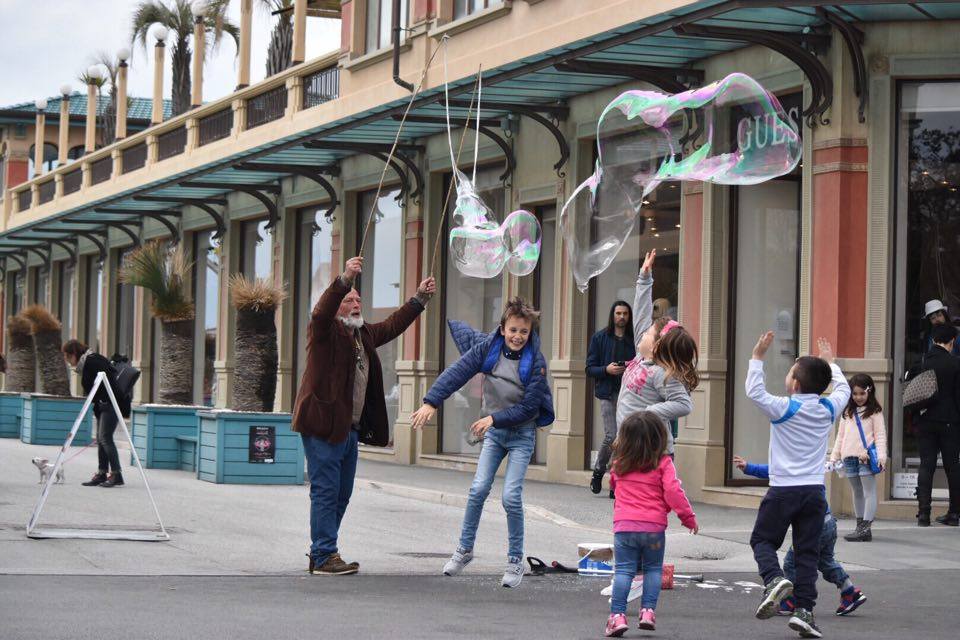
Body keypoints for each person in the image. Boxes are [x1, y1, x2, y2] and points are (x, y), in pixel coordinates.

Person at [291, 256, 436, 576]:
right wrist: (344, 279)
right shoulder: (323, 330)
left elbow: (393, 324)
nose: (356, 302)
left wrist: (419, 299)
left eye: (358, 298)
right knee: (326, 491)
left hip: (348, 429)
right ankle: (325, 553)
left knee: (341, 493)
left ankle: (322, 551)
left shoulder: (364, 334)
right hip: (322, 426)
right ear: (337, 304)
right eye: (349, 299)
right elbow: (321, 310)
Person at [410, 297, 554, 588]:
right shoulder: (489, 349)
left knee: (511, 497)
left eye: (524, 332)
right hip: (496, 435)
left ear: (531, 334)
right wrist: (431, 403)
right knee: (477, 490)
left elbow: (530, 408)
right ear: (502, 329)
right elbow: (457, 372)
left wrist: (493, 420)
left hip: (521, 435)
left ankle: (515, 560)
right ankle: (464, 550)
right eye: (513, 330)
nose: (517, 337)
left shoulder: (536, 362)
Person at [746, 332, 850, 639]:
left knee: (762, 541)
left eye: (792, 372)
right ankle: (805, 612)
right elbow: (842, 388)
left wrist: (757, 356)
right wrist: (832, 363)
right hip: (815, 492)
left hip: (783, 491)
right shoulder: (828, 409)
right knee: (807, 554)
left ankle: (774, 579)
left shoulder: (784, 407)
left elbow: (754, 392)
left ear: (796, 384)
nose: (789, 376)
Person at [734, 456, 867, 617]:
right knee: (825, 560)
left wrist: (749, 467)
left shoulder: (795, 461)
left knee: (792, 562)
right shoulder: (812, 460)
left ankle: (791, 601)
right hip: (829, 521)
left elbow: (774, 471)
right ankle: (850, 591)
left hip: (816, 524)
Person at [604, 411, 697, 637]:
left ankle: (617, 617)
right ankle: (647, 612)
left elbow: (614, 487)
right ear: (659, 438)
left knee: (624, 571)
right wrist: (687, 517)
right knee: (653, 570)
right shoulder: (663, 463)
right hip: (654, 528)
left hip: (625, 527)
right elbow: (673, 491)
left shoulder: (619, 464)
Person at [617, 249, 698, 461]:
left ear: (655, 346)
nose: (643, 333)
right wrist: (644, 278)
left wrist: (651, 411)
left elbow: (684, 404)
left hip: (653, 451)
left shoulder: (661, 373)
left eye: (649, 333)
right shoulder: (640, 356)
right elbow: (642, 314)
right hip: (630, 445)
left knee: (650, 495)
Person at [62, 339, 130, 488]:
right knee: (101, 438)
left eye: (67, 357)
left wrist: (103, 402)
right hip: (103, 405)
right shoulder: (89, 361)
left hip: (110, 404)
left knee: (105, 438)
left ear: (74, 353)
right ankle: (102, 473)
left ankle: (117, 474)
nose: (67, 361)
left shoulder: (92, 361)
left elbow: (107, 383)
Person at [829, 374, 887, 541]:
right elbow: (840, 437)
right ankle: (859, 525)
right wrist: (834, 457)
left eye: (862, 393)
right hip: (849, 457)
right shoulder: (848, 412)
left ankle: (865, 529)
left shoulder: (875, 411)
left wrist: (881, 456)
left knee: (869, 492)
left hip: (866, 457)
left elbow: (880, 436)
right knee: (857, 492)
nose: (858, 397)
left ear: (869, 391)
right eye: (855, 394)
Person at [586, 300, 635, 495]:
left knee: (624, 438)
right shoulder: (600, 338)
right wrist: (606, 369)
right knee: (611, 435)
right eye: (618, 313)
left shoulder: (634, 339)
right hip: (607, 392)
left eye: (625, 313)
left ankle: (616, 481)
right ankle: (599, 471)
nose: (622, 317)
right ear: (613, 316)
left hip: (629, 393)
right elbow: (589, 368)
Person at [914, 323, 960, 527]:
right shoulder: (955, 364)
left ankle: (923, 513)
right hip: (950, 420)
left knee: (926, 465)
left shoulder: (921, 362)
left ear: (933, 340)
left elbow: (913, 393)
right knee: (953, 467)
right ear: (952, 341)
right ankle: (954, 513)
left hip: (926, 420)